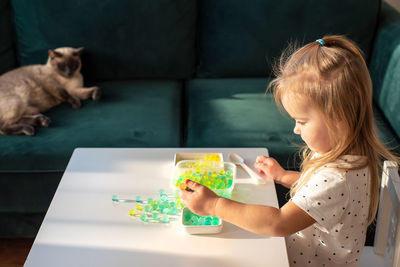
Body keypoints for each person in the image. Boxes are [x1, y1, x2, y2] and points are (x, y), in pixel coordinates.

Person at [179, 35, 399, 266]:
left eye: (302, 121)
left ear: (338, 119)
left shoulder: (338, 178)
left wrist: (214, 205)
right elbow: (320, 190)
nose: (295, 129)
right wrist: (284, 176)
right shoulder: (346, 153)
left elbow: (278, 223)